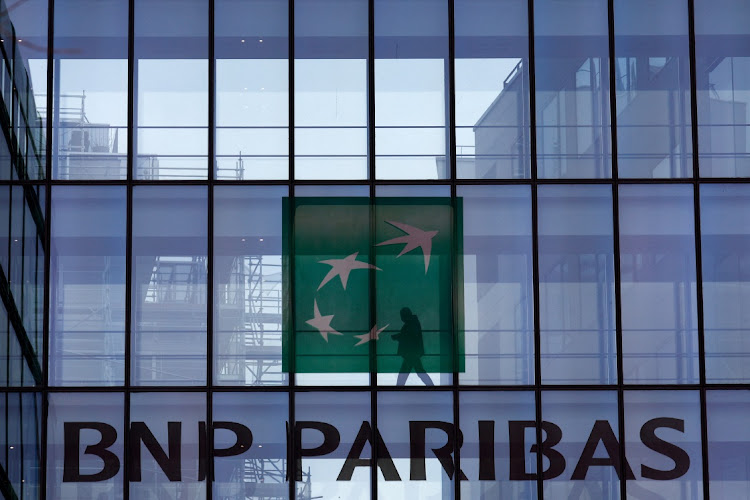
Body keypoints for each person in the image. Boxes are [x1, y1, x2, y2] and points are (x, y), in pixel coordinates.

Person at [392, 307, 434, 386]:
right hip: (413, 353)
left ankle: (398, 389)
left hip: (410, 353)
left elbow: (408, 337)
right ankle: (431, 386)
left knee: (405, 373)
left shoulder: (411, 324)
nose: (401, 318)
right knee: (418, 371)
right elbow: (409, 336)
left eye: (402, 316)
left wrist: (397, 337)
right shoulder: (413, 323)